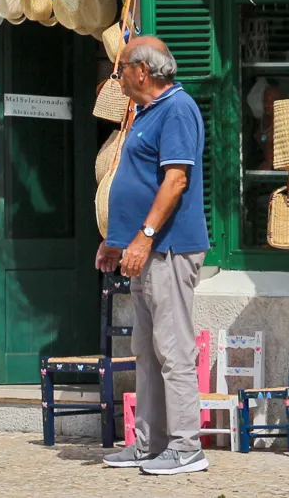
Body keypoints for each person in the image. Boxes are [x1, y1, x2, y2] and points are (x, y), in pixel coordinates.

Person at [97, 36, 210, 476]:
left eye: (121, 67)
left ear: (143, 71)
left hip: (168, 249)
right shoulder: (146, 113)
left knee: (173, 348)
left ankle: (186, 448)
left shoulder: (178, 110)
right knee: (146, 349)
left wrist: (143, 238)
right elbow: (139, 182)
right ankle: (148, 444)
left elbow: (175, 180)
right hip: (145, 250)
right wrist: (116, 240)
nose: (117, 74)